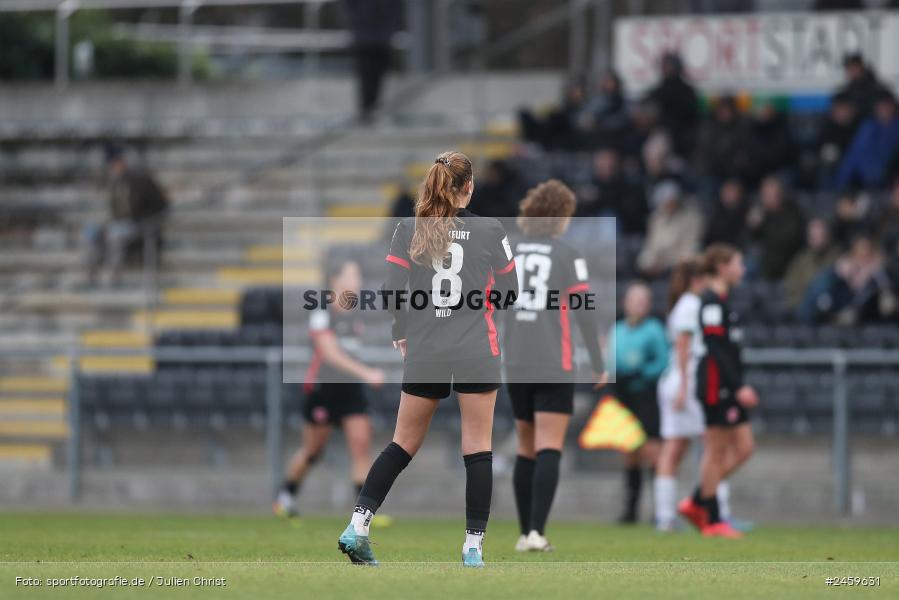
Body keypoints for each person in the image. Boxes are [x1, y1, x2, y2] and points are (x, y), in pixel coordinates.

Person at [336, 151, 518, 567]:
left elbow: (393, 291)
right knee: (478, 448)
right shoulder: (491, 229)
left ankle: (358, 526)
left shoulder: (410, 228)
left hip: (426, 348)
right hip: (476, 348)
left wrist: (401, 332)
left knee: (402, 443)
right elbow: (511, 291)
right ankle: (473, 547)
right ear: (468, 187)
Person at [503, 180, 606, 552]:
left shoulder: (511, 251)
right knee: (549, 445)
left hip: (514, 359)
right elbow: (584, 312)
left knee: (525, 445)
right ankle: (536, 533)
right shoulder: (566, 254)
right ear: (560, 215)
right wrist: (597, 362)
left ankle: (522, 532)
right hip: (553, 359)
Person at [274, 255, 385, 518]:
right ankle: (286, 495)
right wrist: (367, 372)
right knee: (313, 450)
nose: (358, 281)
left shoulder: (356, 314)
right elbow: (330, 354)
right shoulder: (322, 312)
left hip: (351, 390)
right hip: (324, 390)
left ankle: (363, 512)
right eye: (352, 275)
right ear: (335, 279)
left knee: (360, 445)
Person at [678, 244, 758, 539]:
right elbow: (715, 349)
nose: (743, 269)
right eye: (738, 263)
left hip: (726, 384)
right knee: (716, 450)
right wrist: (738, 387)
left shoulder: (722, 300)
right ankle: (711, 519)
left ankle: (698, 499)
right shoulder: (710, 302)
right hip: (715, 384)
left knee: (744, 447)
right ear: (722, 267)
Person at [607, 282, 668, 524]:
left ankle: (659, 510)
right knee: (629, 450)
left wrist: (643, 372)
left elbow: (664, 359)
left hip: (647, 394)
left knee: (653, 451)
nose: (638, 305)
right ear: (626, 303)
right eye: (634, 300)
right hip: (623, 395)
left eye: (643, 301)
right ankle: (630, 510)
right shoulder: (618, 329)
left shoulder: (654, 329)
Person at [653, 258, 706, 532]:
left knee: (675, 448)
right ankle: (714, 510)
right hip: (688, 377)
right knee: (712, 443)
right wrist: (685, 386)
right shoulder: (690, 305)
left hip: (676, 378)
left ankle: (665, 517)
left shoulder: (681, 304)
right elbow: (685, 346)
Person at [85, 147, 168, 286]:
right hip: (121, 223)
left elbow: (160, 205)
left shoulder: (141, 180)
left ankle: (114, 275)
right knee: (92, 232)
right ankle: (91, 274)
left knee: (115, 235)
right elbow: (116, 210)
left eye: (116, 163)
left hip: (140, 224)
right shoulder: (116, 182)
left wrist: (143, 219)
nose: (114, 167)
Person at [343, 0, 402, 122]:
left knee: (379, 74)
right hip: (363, 38)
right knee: (365, 76)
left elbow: (394, 9)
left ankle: (374, 108)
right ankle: (366, 110)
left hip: (382, 38)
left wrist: (390, 29)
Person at [637, 180, 703, 278]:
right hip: (657, 261)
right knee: (642, 262)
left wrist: (666, 263)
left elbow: (689, 247)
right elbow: (651, 245)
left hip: (677, 261)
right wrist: (650, 262)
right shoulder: (656, 219)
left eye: (671, 200)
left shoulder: (691, 218)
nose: (669, 203)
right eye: (665, 201)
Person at [835, 90, 899, 190]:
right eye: (881, 107)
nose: (884, 110)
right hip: (865, 182)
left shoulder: (896, 128)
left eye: (887, 106)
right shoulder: (869, 127)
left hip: (890, 183)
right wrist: (841, 182)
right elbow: (854, 154)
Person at [747, 175, 805, 281]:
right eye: (765, 194)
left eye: (771, 194)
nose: (767, 198)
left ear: (780, 194)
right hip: (765, 262)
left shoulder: (791, 211)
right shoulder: (762, 213)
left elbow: (788, 239)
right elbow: (749, 239)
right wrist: (753, 227)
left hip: (787, 261)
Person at [644, 52, 699, 158]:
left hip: (683, 136)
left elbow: (691, 116)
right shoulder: (656, 92)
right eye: (666, 66)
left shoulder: (687, 92)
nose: (668, 69)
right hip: (661, 135)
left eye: (671, 66)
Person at [783, 218, 841, 310]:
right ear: (808, 238)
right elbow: (792, 287)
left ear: (827, 235)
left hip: (832, 304)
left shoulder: (838, 256)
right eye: (814, 236)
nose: (818, 239)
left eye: (821, 235)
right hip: (805, 306)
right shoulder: (800, 260)